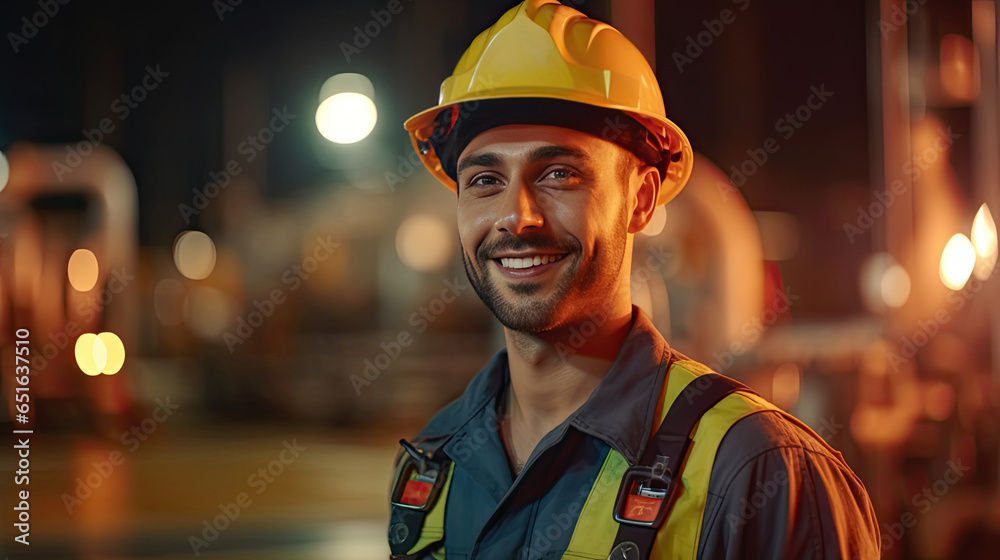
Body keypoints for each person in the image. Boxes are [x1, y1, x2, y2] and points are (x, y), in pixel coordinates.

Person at [387, 1, 880, 558]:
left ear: (640, 200)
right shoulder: (431, 466)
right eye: (484, 180)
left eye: (558, 174)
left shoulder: (760, 470)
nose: (516, 216)